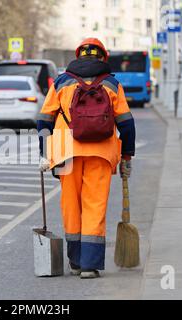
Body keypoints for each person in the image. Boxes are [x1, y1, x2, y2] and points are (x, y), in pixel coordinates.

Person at [37, 38, 136, 279]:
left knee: (71, 207)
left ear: (78, 57)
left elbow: (44, 120)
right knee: (95, 205)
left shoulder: (61, 82)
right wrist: (127, 156)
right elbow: (127, 124)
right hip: (101, 153)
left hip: (65, 153)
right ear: (103, 57)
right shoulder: (112, 84)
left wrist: (43, 153)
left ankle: (76, 261)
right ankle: (89, 266)